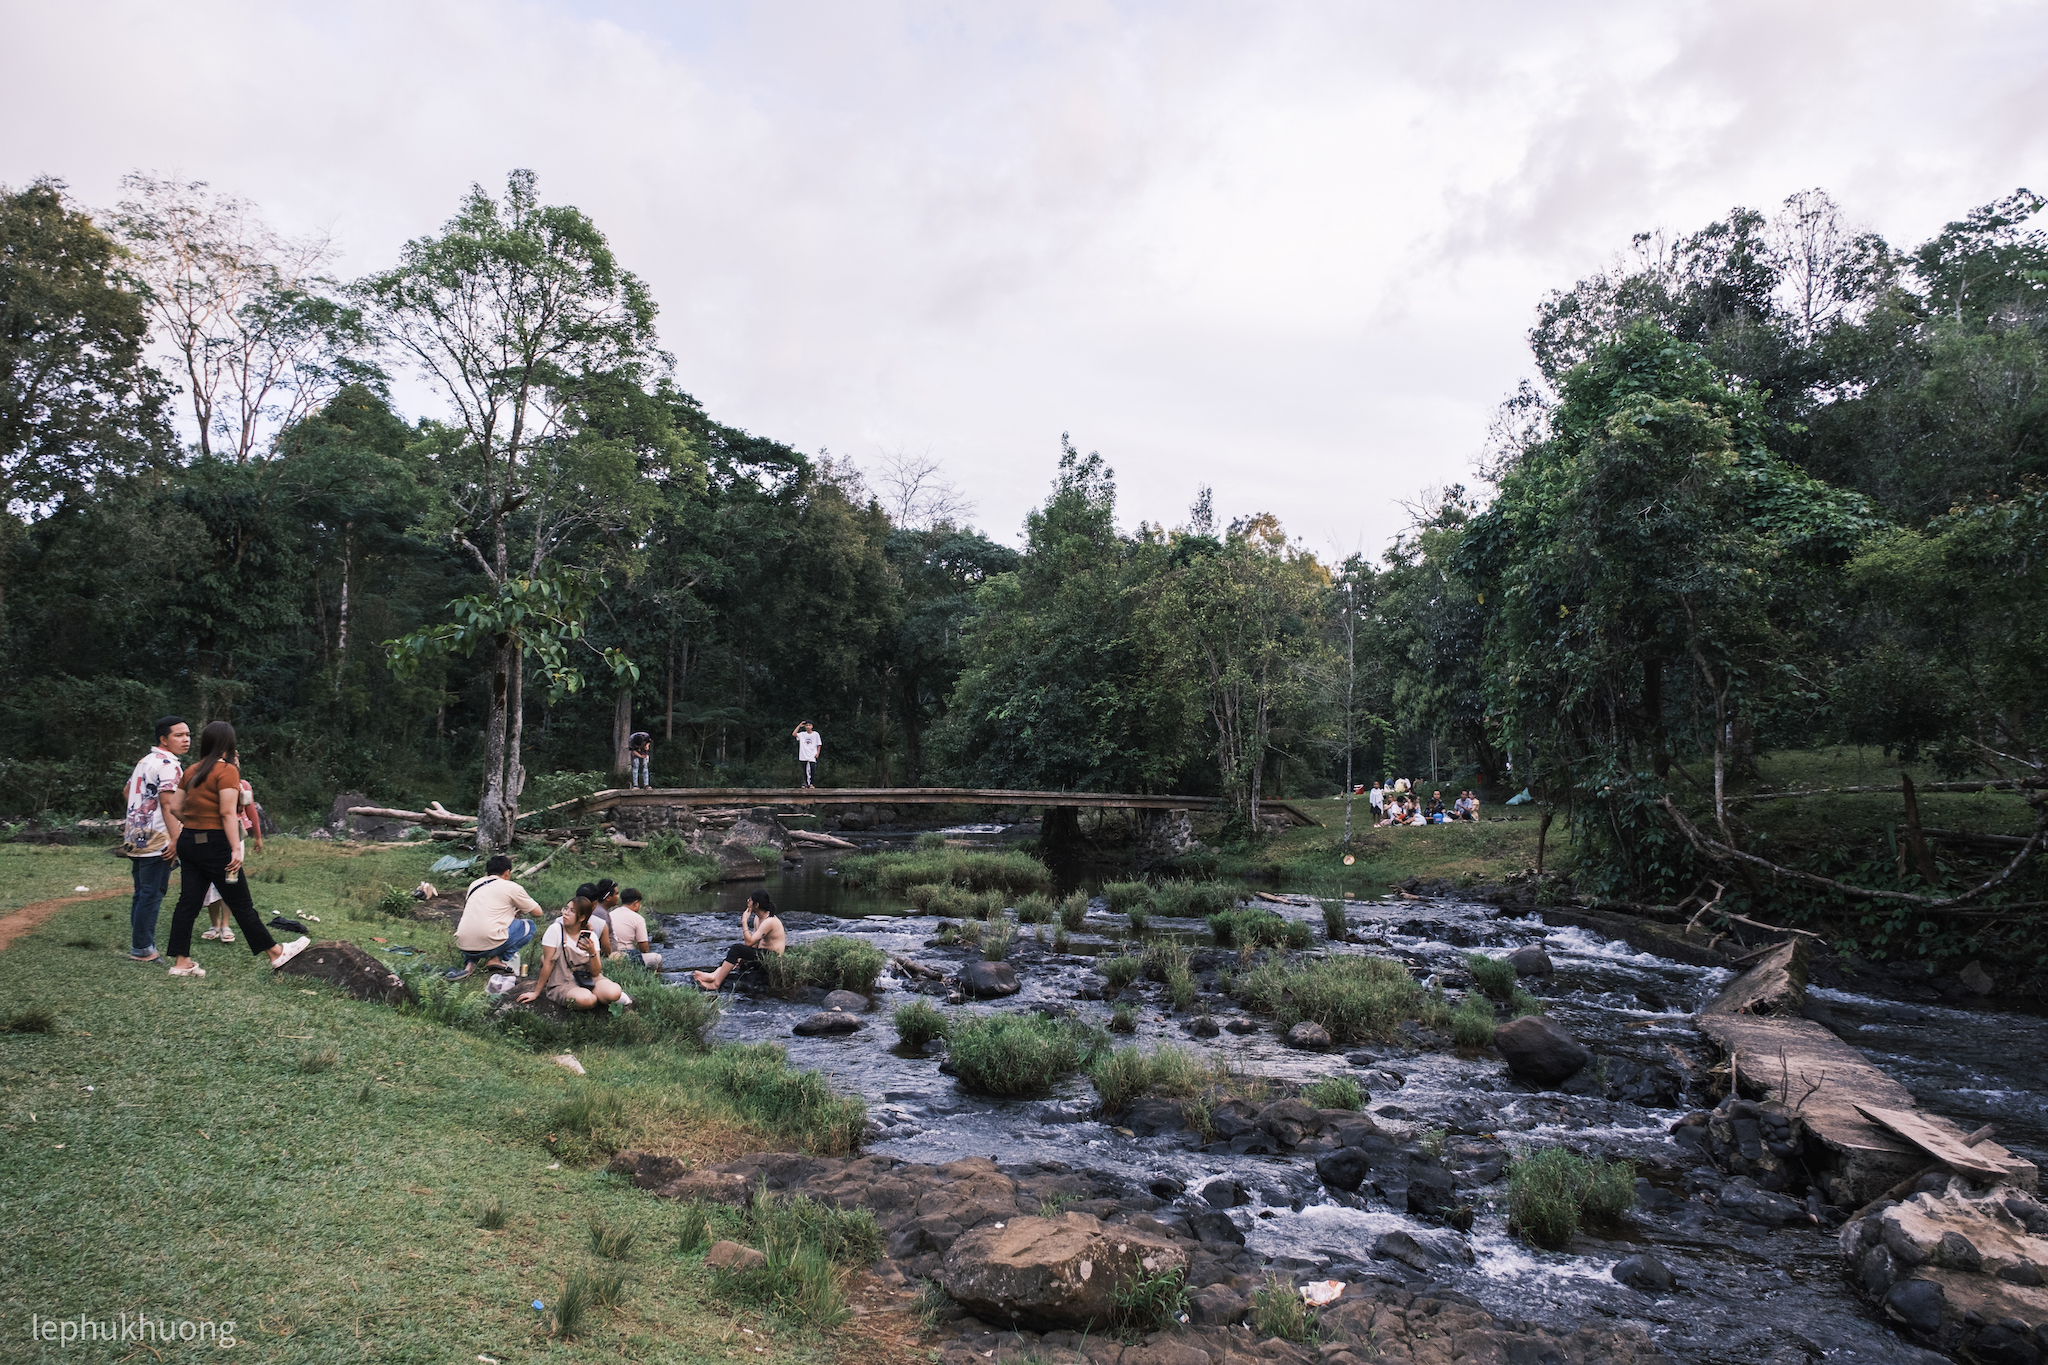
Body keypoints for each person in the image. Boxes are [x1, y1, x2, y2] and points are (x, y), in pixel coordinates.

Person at [162, 721, 309, 979]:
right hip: (216, 846)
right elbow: (228, 812)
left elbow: (175, 808)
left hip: (189, 842)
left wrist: (194, 824)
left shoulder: (192, 770)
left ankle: (181, 961)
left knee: (188, 902)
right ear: (229, 743)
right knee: (241, 903)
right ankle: (276, 953)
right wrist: (235, 849)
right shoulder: (227, 770)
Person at [123, 715, 190, 962]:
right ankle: (142, 949)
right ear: (164, 739)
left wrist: (139, 815)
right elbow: (168, 803)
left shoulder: (145, 761)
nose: (186, 740)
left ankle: (140, 943)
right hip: (158, 837)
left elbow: (127, 791)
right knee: (151, 893)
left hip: (136, 834)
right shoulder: (169, 765)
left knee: (142, 892)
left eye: (188, 735)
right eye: (179, 735)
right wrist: (176, 840)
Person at [514, 896, 626, 1011]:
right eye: (566, 908)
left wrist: (592, 952)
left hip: (587, 978)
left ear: (582, 917)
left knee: (614, 993)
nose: (566, 913)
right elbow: (548, 962)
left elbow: (596, 972)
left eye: (572, 911)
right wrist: (536, 992)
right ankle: (595, 999)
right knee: (586, 999)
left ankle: (597, 997)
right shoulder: (556, 930)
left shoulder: (590, 936)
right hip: (563, 981)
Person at [200, 753, 263, 945]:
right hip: (211, 835)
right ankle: (214, 924)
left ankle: (226, 925)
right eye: (230, 754)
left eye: (236, 755)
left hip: (235, 836)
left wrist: (258, 836)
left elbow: (251, 811)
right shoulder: (207, 780)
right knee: (211, 882)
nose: (234, 758)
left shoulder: (243, 785)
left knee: (231, 879)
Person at [447, 854, 542, 980]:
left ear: (487, 873)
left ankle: (469, 966)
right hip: (489, 945)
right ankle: (496, 960)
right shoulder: (511, 887)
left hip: (464, 945)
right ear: (507, 872)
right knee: (529, 926)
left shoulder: (474, 885)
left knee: (476, 924)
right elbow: (538, 913)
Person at [693, 891, 786, 990]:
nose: (748, 901)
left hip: (772, 958)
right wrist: (743, 957)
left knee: (736, 949)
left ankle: (716, 984)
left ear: (756, 905)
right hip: (761, 955)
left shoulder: (769, 921)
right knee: (733, 957)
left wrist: (744, 920)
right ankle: (713, 975)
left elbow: (749, 942)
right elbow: (754, 944)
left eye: (750, 900)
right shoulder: (758, 918)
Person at [607, 888, 660, 969]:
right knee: (657, 958)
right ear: (636, 903)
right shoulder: (638, 918)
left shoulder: (609, 914)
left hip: (609, 955)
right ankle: (656, 979)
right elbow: (644, 949)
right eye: (639, 904)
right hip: (626, 955)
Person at [792, 721, 822, 788]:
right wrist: (799, 725)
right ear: (805, 726)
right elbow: (794, 734)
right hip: (803, 754)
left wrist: (818, 753)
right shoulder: (802, 734)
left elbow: (819, 744)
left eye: (809, 725)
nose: (808, 726)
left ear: (812, 726)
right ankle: (805, 783)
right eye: (807, 725)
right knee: (804, 770)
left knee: (812, 769)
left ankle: (812, 784)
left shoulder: (816, 734)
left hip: (812, 754)